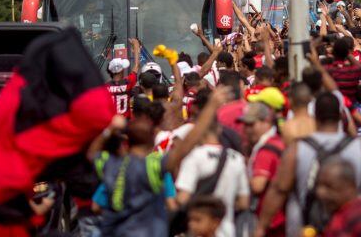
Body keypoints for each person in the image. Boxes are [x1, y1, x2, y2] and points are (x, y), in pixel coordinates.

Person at [89, 87, 230, 237]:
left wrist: (110, 130)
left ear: (128, 142)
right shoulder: (152, 166)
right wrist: (211, 108)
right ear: (151, 140)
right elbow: (186, 145)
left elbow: (92, 154)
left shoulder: (111, 165)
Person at [255, 92, 361, 237]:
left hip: (304, 228)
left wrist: (261, 227)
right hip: (349, 227)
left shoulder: (297, 149)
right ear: (341, 117)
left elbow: (279, 190)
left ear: (315, 117)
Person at [175, 115, 250, 237]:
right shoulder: (237, 158)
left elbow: (183, 198)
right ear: (219, 129)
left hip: (199, 230)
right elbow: (243, 202)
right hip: (228, 230)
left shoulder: (194, 156)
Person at [239, 102, 286, 237]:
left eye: (251, 124)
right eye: (245, 125)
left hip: (271, 222)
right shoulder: (277, 141)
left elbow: (257, 185)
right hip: (278, 218)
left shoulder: (266, 150)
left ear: (266, 122)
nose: (246, 129)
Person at [107, 38, 141, 117]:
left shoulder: (105, 87)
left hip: (113, 123)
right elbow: (137, 65)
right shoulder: (128, 82)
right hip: (125, 122)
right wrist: (136, 46)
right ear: (122, 70)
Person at [325, 36, 361, 101]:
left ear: (333, 51)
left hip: (334, 104)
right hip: (351, 104)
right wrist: (345, 51)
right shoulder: (354, 70)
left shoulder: (328, 69)